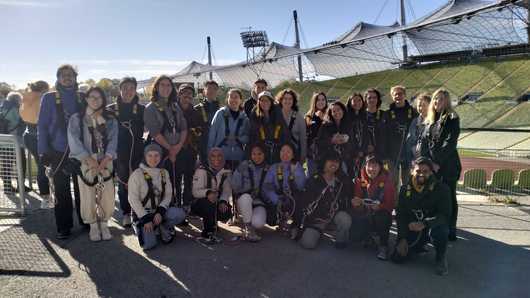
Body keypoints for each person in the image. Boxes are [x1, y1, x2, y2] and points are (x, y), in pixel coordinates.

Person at [38, 64, 85, 239]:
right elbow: (42, 126)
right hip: (58, 150)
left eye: (70, 75)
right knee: (61, 190)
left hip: (79, 149)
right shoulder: (49, 98)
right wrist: (43, 150)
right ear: (58, 78)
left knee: (82, 188)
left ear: (75, 78)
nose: (67, 78)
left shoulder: (81, 97)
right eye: (63, 75)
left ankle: (85, 219)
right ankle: (64, 225)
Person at [67, 87, 118, 242]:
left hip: (105, 161)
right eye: (92, 97)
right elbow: (73, 139)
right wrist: (88, 159)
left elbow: (113, 139)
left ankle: (104, 223)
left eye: (99, 97)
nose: (95, 100)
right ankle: (93, 225)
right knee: (87, 194)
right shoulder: (77, 118)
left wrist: (106, 159)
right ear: (87, 99)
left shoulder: (110, 118)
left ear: (103, 100)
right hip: (86, 161)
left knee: (107, 194)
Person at [392, 157, 451, 276]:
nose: (421, 174)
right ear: (412, 171)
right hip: (413, 226)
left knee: (441, 231)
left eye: (425, 171)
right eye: (418, 171)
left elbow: (444, 215)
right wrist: (402, 237)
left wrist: (425, 224)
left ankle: (440, 257)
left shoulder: (442, 189)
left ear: (431, 172)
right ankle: (417, 246)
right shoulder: (405, 189)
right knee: (398, 258)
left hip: (431, 226)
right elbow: (401, 214)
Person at [419, 88, 461, 241]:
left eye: (441, 99)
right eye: (436, 99)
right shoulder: (429, 119)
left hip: (448, 166)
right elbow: (424, 143)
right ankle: (434, 226)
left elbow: (450, 142)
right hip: (432, 166)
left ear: (447, 101)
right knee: (432, 196)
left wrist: (437, 162)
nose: (437, 101)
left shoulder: (452, 118)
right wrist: (427, 163)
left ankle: (451, 227)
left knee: (449, 196)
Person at [128, 144, 186, 250]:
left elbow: (168, 194)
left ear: (161, 157)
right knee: (149, 245)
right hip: (143, 214)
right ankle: (141, 227)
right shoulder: (137, 174)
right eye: (149, 155)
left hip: (158, 212)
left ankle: (163, 226)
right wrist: (145, 218)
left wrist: (160, 211)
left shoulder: (164, 173)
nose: (153, 159)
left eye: (156, 155)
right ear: (145, 157)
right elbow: (133, 199)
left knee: (180, 214)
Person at [291, 152, 353, 249]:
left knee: (345, 218)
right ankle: (317, 233)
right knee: (308, 244)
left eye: (336, 161)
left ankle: (340, 240)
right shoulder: (314, 180)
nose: (334, 164)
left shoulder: (342, 180)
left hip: (333, 216)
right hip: (316, 220)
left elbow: (348, 198)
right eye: (331, 161)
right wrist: (297, 225)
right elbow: (303, 204)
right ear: (324, 162)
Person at [143, 75, 187, 205]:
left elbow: (184, 128)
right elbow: (155, 133)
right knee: (162, 182)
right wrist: (170, 149)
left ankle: (177, 208)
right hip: (160, 151)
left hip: (177, 149)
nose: (166, 88)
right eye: (162, 85)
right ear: (156, 87)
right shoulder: (150, 108)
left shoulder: (175, 106)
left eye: (168, 85)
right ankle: (162, 212)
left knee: (176, 180)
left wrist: (178, 146)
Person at [107, 77, 145, 227]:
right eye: (125, 88)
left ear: (135, 90)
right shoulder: (110, 109)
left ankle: (138, 210)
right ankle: (125, 212)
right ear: (120, 89)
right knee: (123, 182)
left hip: (137, 150)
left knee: (137, 181)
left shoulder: (142, 109)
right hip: (118, 151)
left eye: (131, 88)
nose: (128, 91)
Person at [350, 154, 395, 260]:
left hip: (380, 215)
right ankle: (368, 238)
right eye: (369, 165)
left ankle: (384, 245)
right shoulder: (359, 181)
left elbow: (390, 205)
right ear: (365, 166)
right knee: (354, 233)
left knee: (383, 216)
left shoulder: (387, 182)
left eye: (375, 166)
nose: (371, 169)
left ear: (380, 167)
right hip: (366, 214)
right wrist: (356, 204)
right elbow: (357, 199)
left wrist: (380, 207)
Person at [191, 147, 233, 244]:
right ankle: (207, 233)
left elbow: (226, 190)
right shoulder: (201, 170)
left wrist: (223, 201)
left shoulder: (226, 172)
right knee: (208, 202)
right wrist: (207, 193)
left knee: (226, 212)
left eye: (219, 156)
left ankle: (213, 224)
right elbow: (195, 192)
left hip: (216, 201)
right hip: (200, 203)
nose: (216, 159)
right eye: (213, 156)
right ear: (209, 158)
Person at [20, 81, 51, 207]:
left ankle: (45, 196)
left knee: (41, 165)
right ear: (44, 89)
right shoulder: (42, 98)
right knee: (44, 166)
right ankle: (46, 197)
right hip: (41, 135)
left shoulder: (26, 98)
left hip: (28, 135)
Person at [263, 143, 306, 232]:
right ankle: (280, 220)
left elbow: (301, 186)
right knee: (271, 219)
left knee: (299, 200)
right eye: (282, 151)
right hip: (277, 198)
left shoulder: (297, 168)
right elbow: (266, 186)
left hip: (293, 200)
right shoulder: (274, 167)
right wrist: (276, 199)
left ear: (293, 155)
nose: (285, 154)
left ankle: (295, 225)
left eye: (288, 152)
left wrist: (294, 174)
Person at [231, 142, 270, 242]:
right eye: (254, 154)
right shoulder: (243, 166)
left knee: (258, 223)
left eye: (259, 154)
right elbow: (235, 187)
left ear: (264, 154)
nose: (256, 157)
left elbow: (270, 190)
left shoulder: (268, 168)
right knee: (246, 198)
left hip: (258, 202)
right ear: (250, 154)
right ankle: (248, 228)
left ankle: (250, 221)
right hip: (243, 201)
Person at [176, 84, 206, 209]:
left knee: (189, 179)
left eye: (190, 93)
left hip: (190, 150)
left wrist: (191, 134)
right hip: (175, 150)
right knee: (176, 179)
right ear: (179, 94)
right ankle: (176, 204)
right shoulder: (172, 110)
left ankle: (186, 205)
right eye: (184, 93)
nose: (187, 95)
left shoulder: (195, 112)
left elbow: (201, 128)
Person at [207, 88, 249, 170]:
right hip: (219, 155)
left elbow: (247, 136)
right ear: (227, 99)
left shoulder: (245, 118)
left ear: (240, 100)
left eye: (236, 97)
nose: (233, 100)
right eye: (231, 97)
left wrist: (238, 139)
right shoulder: (220, 114)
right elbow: (212, 134)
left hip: (238, 155)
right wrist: (210, 153)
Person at [386, 85, 418, 187]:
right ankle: (394, 202)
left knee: (407, 182)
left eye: (400, 94)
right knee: (393, 182)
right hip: (392, 153)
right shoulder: (387, 114)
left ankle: (406, 202)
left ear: (405, 95)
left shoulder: (413, 112)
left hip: (408, 152)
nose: (398, 96)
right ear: (392, 96)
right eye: (395, 94)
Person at [316, 101, 354, 177]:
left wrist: (346, 141)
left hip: (344, 159)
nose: (337, 112)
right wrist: (332, 140)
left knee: (344, 178)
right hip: (328, 159)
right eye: (334, 111)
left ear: (343, 110)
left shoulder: (348, 125)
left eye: (339, 109)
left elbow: (353, 143)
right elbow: (319, 142)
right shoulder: (325, 126)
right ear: (330, 113)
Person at [249, 91, 288, 165]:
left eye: (267, 100)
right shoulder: (255, 114)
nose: (264, 103)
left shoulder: (277, 113)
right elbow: (253, 134)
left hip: (277, 149)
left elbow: (284, 132)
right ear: (259, 102)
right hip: (261, 150)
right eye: (262, 100)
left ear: (271, 102)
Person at [0, 92, 27, 193]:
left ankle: (7, 187)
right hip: (16, 141)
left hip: (3, 141)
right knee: (21, 163)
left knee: (6, 164)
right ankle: (21, 186)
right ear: (17, 100)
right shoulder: (18, 109)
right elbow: (22, 124)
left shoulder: (2, 107)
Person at [277, 89, 307, 163]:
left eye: (290, 99)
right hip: (277, 154)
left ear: (294, 101)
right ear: (281, 100)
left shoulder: (299, 117)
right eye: (285, 99)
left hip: (293, 155)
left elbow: (303, 139)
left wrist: (302, 157)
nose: (287, 101)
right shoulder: (275, 115)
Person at [194, 80, 221, 163]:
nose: (212, 91)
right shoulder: (197, 109)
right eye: (209, 88)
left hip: (218, 144)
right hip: (203, 146)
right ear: (204, 91)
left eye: (214, 89)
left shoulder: (222, 110)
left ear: (217, 92)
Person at [404, 93, 431, 170]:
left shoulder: (434, 122)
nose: (421, 108)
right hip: (415, 159)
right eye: (419, 105)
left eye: (424, 105)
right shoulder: (415, 121)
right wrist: (413, 150)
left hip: (429, 159)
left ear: (430, 106)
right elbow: (410, 139)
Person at [305, 92, 328, 176]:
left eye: (323, 99)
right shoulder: (308, 117)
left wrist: (323, 119)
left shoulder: (330, 115)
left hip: (326, 154)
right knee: (312, 178)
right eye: (318, 100)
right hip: (312, 155)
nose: (321, 102)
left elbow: (331, 131)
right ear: (314, 102)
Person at [346, 92, 367, 178]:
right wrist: (355, 152)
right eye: (354, 101)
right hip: (350, 153)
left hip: (362, 152)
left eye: (359, 100)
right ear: (350, 102)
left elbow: (366, 135)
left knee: (362, 177)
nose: (357, 103)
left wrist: (362, 150)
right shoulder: (346, 117)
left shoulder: (364, 116)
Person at [363, 88, 387, 161]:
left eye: (374, 97)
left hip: (381, 153)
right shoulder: (361, 115)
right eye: (369, 98)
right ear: (365, 100)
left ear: (378, 99)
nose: (372, 100)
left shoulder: (384, 115)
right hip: (364, 154)